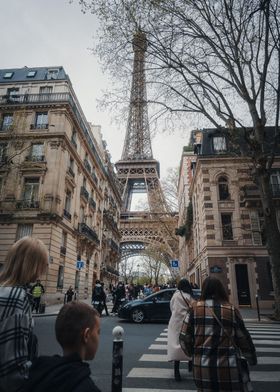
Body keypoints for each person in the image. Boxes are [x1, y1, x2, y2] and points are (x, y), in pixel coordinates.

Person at [181, 277, 257, 392]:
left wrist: (194, 353)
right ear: (221, 290)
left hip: (202, 369)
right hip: (229, 369)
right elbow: (243, 338)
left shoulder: (194, 310)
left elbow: (184, 338)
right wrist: (251, 358)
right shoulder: (231, 310)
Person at [0, 236, 48, 392]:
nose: (45, 268)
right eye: (43, 263)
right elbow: (13, 369)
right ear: (32, 264)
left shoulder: (4, 290)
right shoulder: (15, 297)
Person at [19, 301, 101, 392]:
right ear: (86, 335)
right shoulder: (86, 387)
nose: (98, 337)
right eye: (98, 332)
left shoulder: (36, 372)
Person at [167, 278, 194, 381]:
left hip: (175, 322)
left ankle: (176, 372)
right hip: (186, 322)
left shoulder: (175, 295)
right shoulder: (189, 296)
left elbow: (171, 307)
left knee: (176, 345)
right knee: (188, 343)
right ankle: (190, 366)